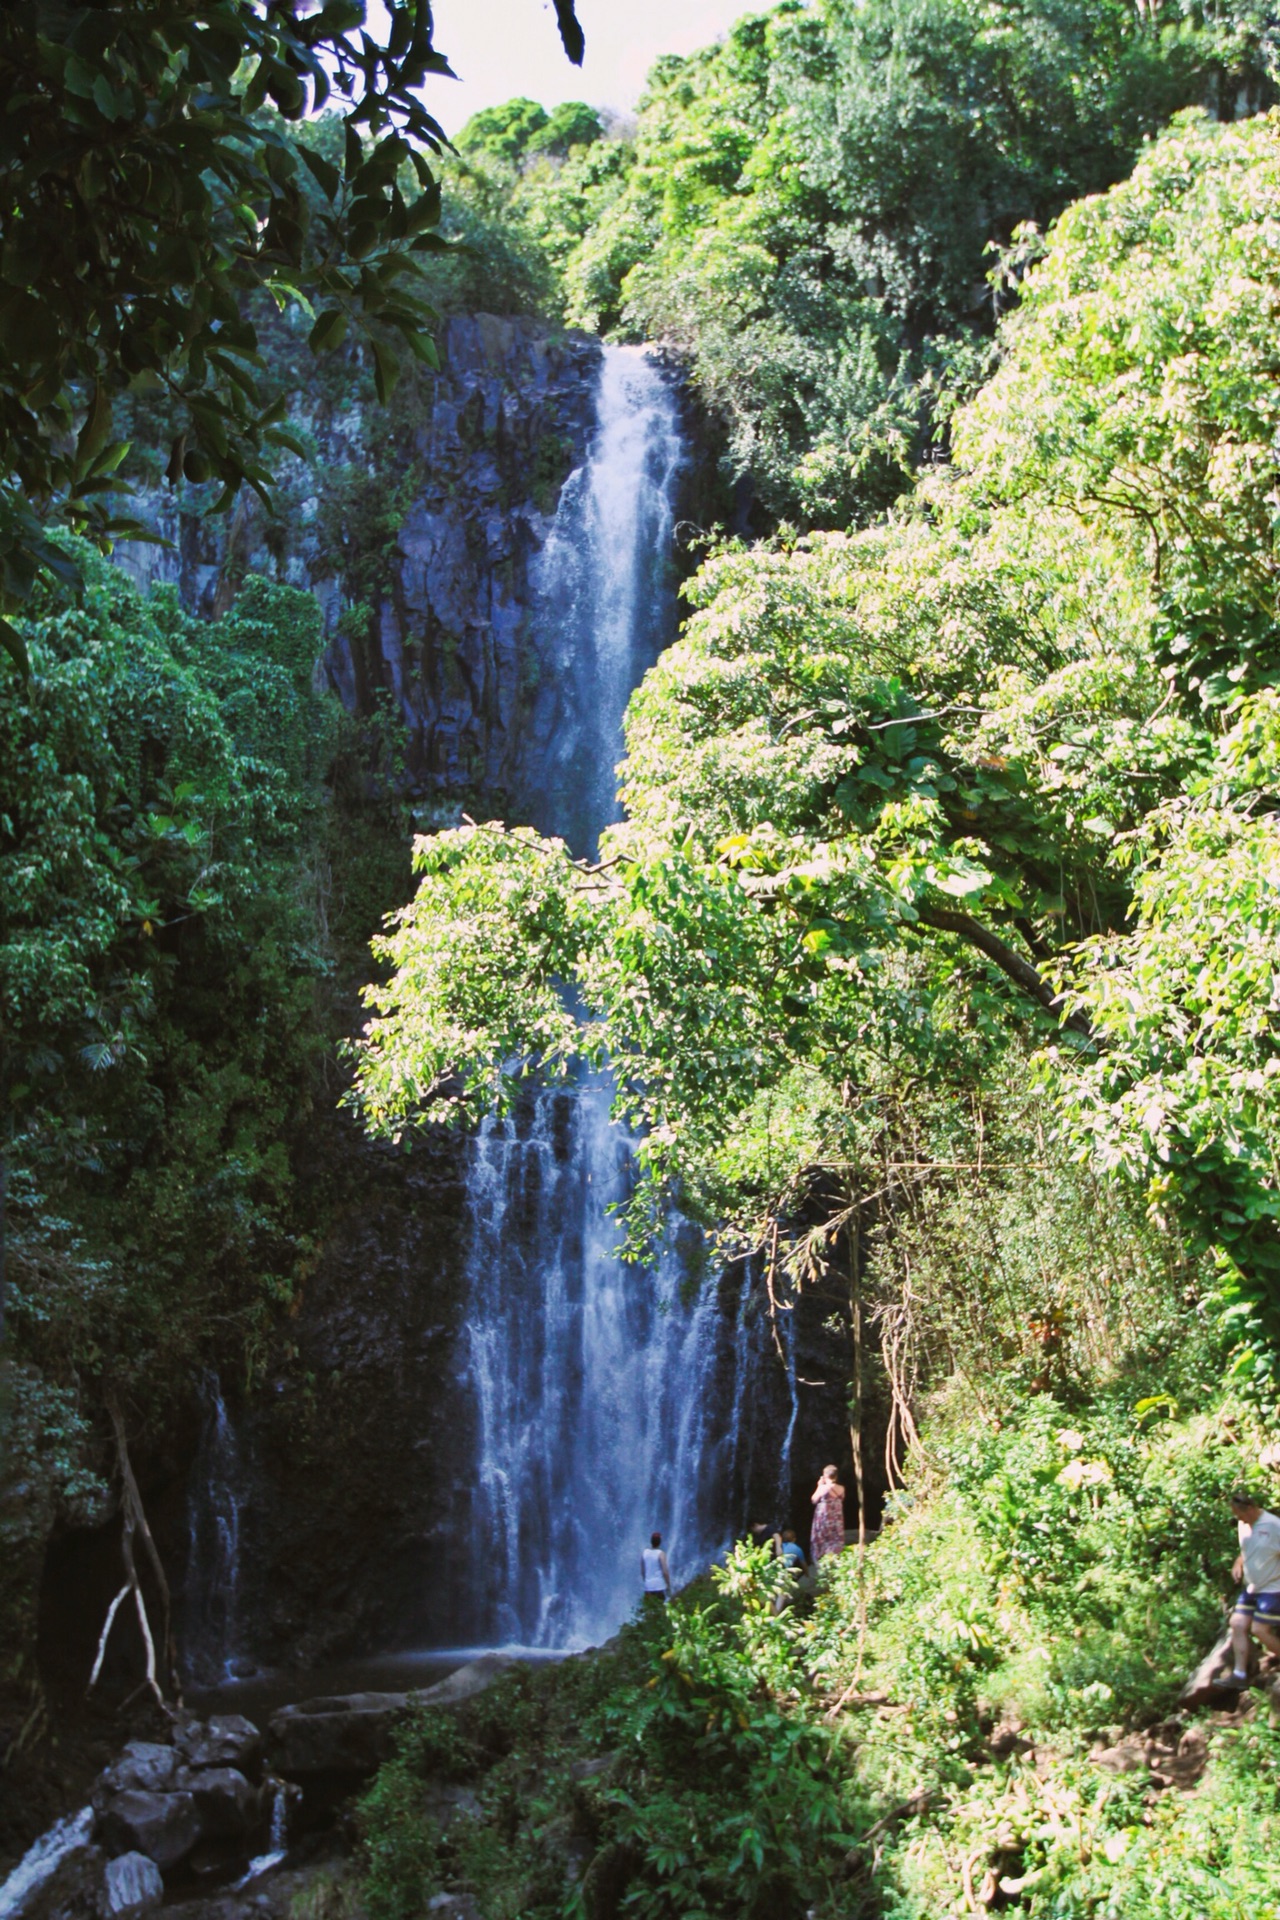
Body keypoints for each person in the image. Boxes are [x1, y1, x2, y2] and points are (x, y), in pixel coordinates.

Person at [1225, 1487, 1280, 1685]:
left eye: (1240, 1515)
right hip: (1252, 1587)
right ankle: (1239, 1675)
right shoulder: (1244, 1526)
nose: (1240, 1520)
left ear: (1250, 1508)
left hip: (1272, 1588)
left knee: (1259, 1629)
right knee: (1237, 1624)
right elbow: (1247, 1549)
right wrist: (1238, 1562)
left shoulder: (1273, 1525)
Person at [810, 1464, 846, 1562]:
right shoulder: (842, 1488)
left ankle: (821, 1558)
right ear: (836, 1476)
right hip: (837, 1518)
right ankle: (834, 1558)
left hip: (824, 1518)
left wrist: (819, 1486)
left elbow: (813, 1499)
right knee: (835, 1538)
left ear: (825, 1476)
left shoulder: (823, 1488)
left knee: (823, 1537)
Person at [641, 1531, 672, 1606]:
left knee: (649, 1609)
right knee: (660, 1608)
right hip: (659, 1586)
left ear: (651, 1541)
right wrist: (668, 1585)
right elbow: (665, 1571)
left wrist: (646, 1581)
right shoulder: (661, 1554)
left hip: (648, 1587)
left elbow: (642, 1571)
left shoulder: (645, 1552)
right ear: (660, 1542)